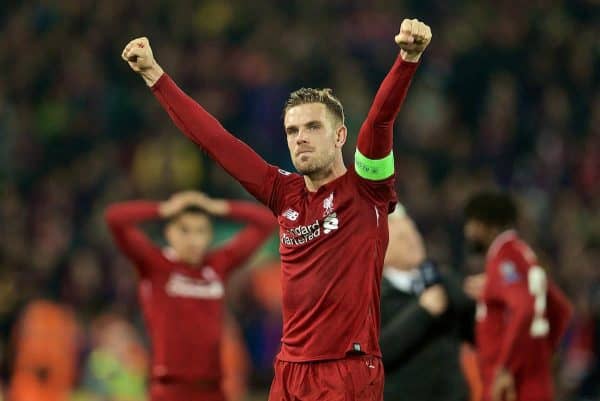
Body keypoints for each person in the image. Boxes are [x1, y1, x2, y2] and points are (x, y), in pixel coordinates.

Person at [121, 17, 431, 401]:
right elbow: (216, 141)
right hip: (289, 371)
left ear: (339, 136)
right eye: (292, 131)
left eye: (313, 128)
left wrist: (407, 58)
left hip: (347, 369)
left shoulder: (366, 189)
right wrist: (154, 74)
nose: (300, 139)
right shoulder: (283, 193)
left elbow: (379, 121)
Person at [105, 191, 276, 401]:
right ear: (169, 233)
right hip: (170, 390)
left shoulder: (217, 265)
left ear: (209, 236)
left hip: (213, 390)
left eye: (200, 231)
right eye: (185, 230)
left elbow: (267, 222)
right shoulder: (156, 265)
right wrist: (163, 209)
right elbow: (115, 218)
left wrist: (218, 206)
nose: (194, 240)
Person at [463, 191, 573, 401]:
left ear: (490, 227)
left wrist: (506, 367)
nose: (468, 232)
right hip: (532, 382)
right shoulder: (522, 255)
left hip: (511, 388)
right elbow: (560, 309)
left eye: (472, 224)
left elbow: (524, 307)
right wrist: (541, 353)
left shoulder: (505, 259)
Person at [380, 204, 476, 401]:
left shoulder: (445, 281)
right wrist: (422, 312)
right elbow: (378, 353)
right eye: (402, 238)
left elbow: (475, 333)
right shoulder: (371, 296)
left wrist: (487, 298)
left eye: (414, 233)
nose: (413, 242)